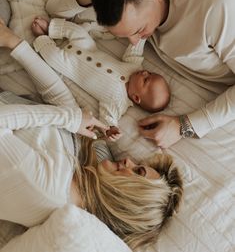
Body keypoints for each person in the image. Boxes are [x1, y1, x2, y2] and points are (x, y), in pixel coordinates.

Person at [0, 18, 183, 250]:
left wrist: (70, 119)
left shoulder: (48, 188)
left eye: (138, 170)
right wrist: (16, 45)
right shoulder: (89, 165)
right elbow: (60, 99)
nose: (128, 160)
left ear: (128, 200)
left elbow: (65, 115)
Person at [45, 0, 235, 149]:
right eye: (126, 35)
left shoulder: (216, 9)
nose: (135, 41)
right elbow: (53, 9)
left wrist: (183, 126)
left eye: (138, 30)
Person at [30, 16, 170, 135]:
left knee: (53, 57)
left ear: (136, 97)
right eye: (150, 73)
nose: (145, 72)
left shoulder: (118, 103)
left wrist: (110, 129)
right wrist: (143, 33)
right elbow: (135, 49)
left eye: (146, 80)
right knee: (79, 31)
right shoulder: (134, 67)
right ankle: (52, 28)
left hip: (71, 66)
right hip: (87, 48)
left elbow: (108, 119)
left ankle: (42, 38)